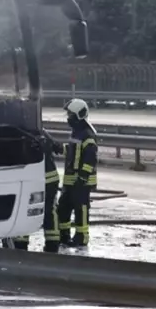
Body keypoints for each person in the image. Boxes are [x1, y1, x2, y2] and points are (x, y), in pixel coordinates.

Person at [13, 131, 65, 253]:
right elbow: (59, 148)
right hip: (51, 179)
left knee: (24, 210)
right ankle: (53, 243)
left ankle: (21, 243)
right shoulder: (43, 133)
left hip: (32, 179)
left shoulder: (20, 134)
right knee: (50, 211)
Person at [61, 98, 97, 248]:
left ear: (79, 115)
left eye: (70, 115)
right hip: (70, 179)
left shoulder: (87, 135)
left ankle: (81, 237)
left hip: (81, 181)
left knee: (80, 209)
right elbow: (72, 153)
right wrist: (56, 147)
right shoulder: (77, 132)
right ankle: (63, 236)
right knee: (63, 207)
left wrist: (82, 177)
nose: (68, 118)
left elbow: (90, 159)